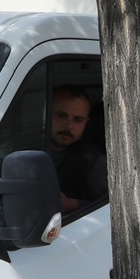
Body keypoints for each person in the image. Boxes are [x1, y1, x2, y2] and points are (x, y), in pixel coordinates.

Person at [46, 85, 109, 214]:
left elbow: (110, 209)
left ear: (86, 122)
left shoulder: (92, 161)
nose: (69, 126)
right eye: (61, 115)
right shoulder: (26, 146)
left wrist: (73, 205)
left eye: (78, 120)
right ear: (46, 113)